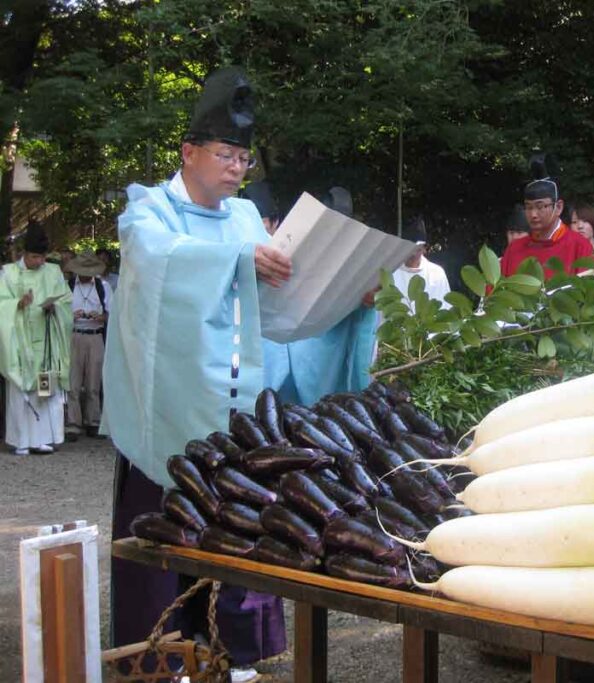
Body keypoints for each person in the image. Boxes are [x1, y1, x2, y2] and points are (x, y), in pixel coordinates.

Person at [105, 67, 374, 680]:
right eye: (225, 154)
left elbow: (277, 314)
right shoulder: (148, 212)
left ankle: (236, 654)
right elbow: (160, 265)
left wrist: (343, 300)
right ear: (188, 152)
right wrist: (236, 260)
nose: (235, 168)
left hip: (235, 415)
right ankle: (162, 653)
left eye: (243, 159)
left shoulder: (246, 219)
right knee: (162, 537)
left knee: (239, 529)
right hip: (168, 410)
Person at [0, 221, 72, 455]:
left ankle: (43, 438)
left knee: (45, 389)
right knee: (21, 391)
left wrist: (55, 307)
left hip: (46, 342)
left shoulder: (53, 271)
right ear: (24, 254)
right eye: (34, 257)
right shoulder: (9, 274)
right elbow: (2, 304)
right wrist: (17, 304)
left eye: (42, 257)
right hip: (20, 342)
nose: (39, 262)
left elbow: (65, 300)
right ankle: (21, 441)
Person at [500, 154, 594, 279]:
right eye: (528, 207)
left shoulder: (579, 245)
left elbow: (589, 292)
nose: (533, 214)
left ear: (558, 207)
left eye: (540, 207)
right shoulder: (514, 249)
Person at [65, 251, 109, 440]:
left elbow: (111, 314)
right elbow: (59, 311)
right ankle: (73, 423)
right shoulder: (67, 286)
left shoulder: (103, 286)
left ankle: (93, 421)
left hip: (95, 335)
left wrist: (100, 317)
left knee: (93, 382)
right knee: (73, 382)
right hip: (74, 334)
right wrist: (71, 315)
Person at [392, 217, 450, 311]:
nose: (413, 254)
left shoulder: (436, 274)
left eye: (417, 249)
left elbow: (444, 310)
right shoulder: (391, 270)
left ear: (424, 248)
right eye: (410, 249)